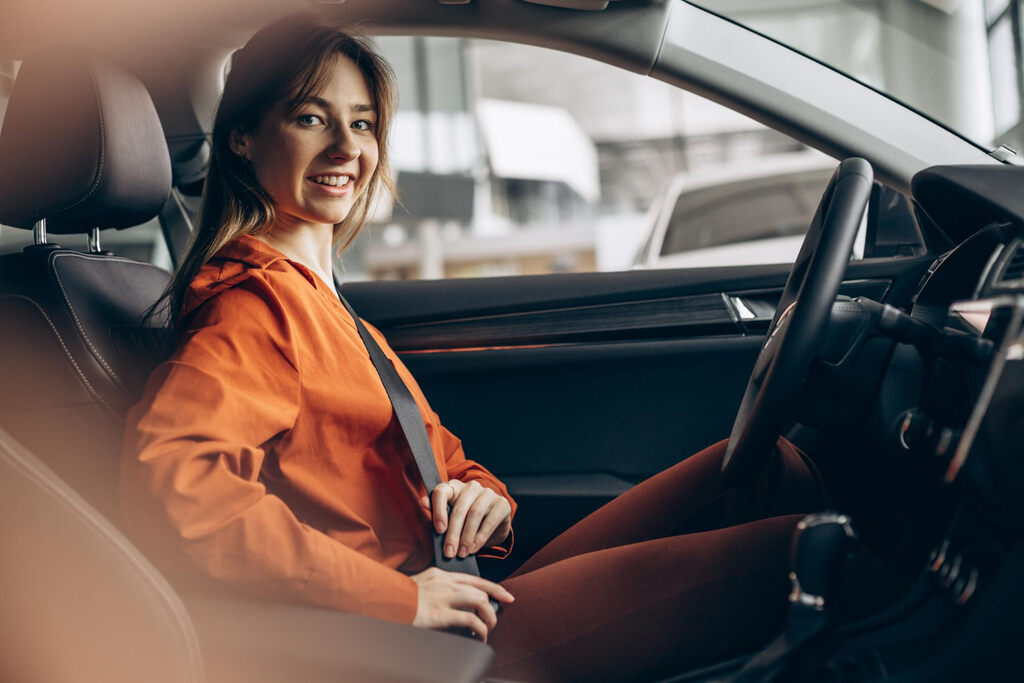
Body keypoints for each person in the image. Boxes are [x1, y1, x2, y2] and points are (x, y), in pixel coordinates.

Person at [121, 14, 826, 681]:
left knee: (765, 467)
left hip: (458, 584)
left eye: (361, 124)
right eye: (311, 118)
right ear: (243, 136)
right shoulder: (256, 307)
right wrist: (397, 600)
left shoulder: (321, 296)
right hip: (419, 642)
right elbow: (179, 483)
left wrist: (483, 500)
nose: (346, 148)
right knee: (817, 553)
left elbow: (440, 455)